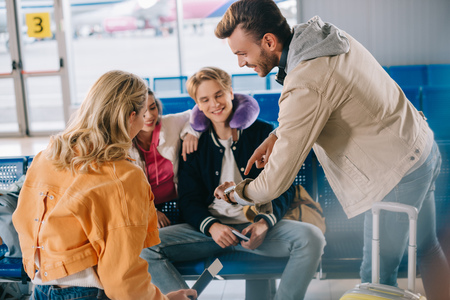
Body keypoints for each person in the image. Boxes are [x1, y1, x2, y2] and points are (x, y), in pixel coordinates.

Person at [213, 1, 450, 299]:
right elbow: (329, 97)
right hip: (419, 147)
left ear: (269, 42)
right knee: (428, 249)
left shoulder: (306, 80)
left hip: (396, 174)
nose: (240, 63)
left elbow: (275, 182)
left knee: (376, 280)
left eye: (242, 53)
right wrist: (278, 134)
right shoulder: (324, 38)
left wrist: (237, 193)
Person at [140, 66, 325, 300]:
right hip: (210, 233)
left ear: (230, 92)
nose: (214, 104)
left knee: (312, 237)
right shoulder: (194, 144)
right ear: (197, 104)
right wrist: (212, 226)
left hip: (255, 229)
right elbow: (189, 199)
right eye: (204, 99)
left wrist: (264, 223)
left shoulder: (262, 133)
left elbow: (282, 186)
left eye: (218, 95)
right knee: (146, 248)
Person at [12, 70, 197, 300]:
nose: (144, 121)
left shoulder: (47, 155)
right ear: (130, 117)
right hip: (87, 293)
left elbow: (23, 221)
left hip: (41, 288)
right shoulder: (123, 176)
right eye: (142, 114)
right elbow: (122, 280)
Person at [130, 89, 200, 228]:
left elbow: (197, 113)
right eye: (143, 112)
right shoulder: (124, 142)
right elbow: (128, 189)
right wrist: (150, 211)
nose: (149, 116)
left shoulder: (170, 123)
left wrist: (192, 133)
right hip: (142, 206)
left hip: (177, 202)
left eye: (153, 107)